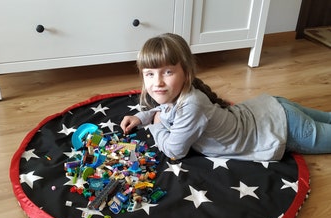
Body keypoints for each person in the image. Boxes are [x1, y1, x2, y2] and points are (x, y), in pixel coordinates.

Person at [120, 33, 331, 161]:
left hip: (282, 128)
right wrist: (142, 117)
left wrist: (156, 126)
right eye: (150, 74)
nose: (157, 82)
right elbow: (165, 108)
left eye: (167, 72)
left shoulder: (192, 105)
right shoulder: (181, 93)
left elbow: (175, 151)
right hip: (273, 108)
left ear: (186, 73)